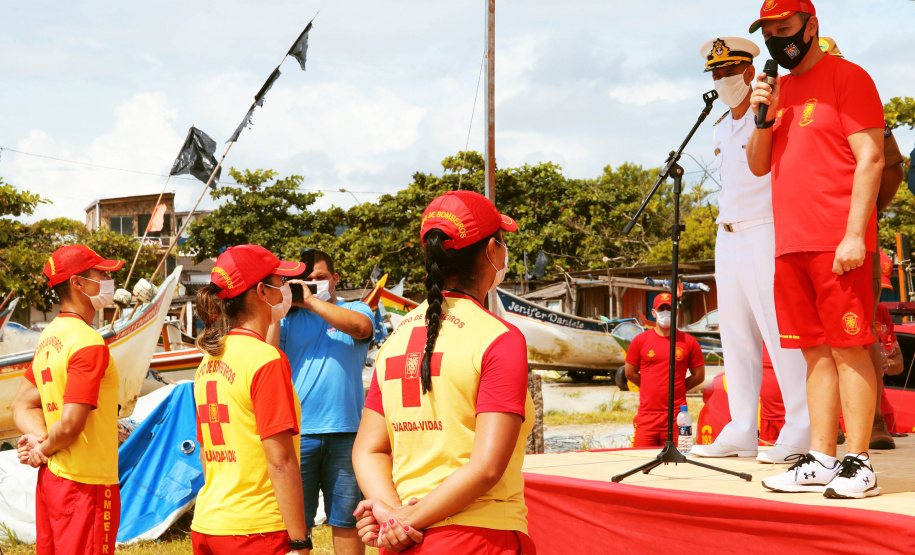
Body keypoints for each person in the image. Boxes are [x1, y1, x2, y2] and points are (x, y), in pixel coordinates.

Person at [746, 0, 886, 499]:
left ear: (811, 25)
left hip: (837, 241)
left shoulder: (848, 78)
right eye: (770, 31)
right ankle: (822, 457)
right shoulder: (778, 90)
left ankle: (859, 461)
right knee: (813, 353)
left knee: (849, 347)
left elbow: (871, 158)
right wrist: (761, 117)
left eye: (785, 28)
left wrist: (854, 234)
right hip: (791, 243)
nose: (777, 39)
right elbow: (759, 166)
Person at [351, 190, 536, 554]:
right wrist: (402, 521)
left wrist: (393, 516)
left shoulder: (396, 338)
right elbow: (484, 468)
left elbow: (367, 450)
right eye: (501, 241)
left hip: (405, 542)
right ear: (490, 252)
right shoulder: (499, 338)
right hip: (480, 536)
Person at [689, 36, 811, 464]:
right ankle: (742, 429)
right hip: (728, 236)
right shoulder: (721, 124)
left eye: (727, 72)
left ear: (748, 72)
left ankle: (800, 429)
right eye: (715, 74)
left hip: (765, 231)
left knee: (782, 335)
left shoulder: (770, 115)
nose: (721, 80)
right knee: (735, 337)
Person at [191, 244, 310, 554]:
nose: (287, 289)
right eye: (281, 281)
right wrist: (300, 541)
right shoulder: (265, 359)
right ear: (262, 291)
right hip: (255, 530)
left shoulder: (209, 360)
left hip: (209, 522)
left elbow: (207, 451)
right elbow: (281, 461)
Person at [11, 245, 123, 554]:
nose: (108, 280)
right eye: (101, 274)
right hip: (86, 484)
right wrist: (43, 447)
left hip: (53, 478)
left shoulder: (50, 337)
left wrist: (39, 443)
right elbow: (73, 423)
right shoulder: (88, 342)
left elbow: (21, 406)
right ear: (77, 283)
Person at [267, 249, 375, 555]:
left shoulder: (357, 308)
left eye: (320, 278)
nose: (313, 285)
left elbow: (362, 329)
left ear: (335, 279)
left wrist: (312, 300)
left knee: (348, 519)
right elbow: (269, 356)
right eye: (306, 281)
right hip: (298, 434)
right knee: (294, 522)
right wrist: (280, 307)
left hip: (347, 433)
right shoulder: (288, 320)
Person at [625, 293, 705, 448]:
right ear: (654, 313)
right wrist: (649, 387)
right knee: (640, 460)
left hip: (677, 416)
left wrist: (677, 389)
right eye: (661, 309)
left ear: (676, 312)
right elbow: (630, 373)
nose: (666, 312)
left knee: (680, 460)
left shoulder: (689, 342)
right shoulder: (640, 341)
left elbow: (698, 376)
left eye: (669, 308)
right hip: (647, 416)